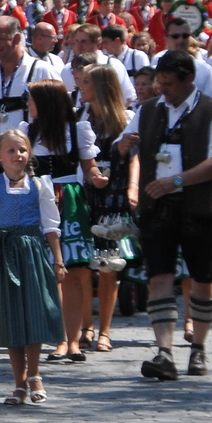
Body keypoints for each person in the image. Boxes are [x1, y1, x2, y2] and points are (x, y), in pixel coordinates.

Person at [121, 51, 212, 380]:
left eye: (168, 84)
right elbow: (122, 141)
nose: (162, 89)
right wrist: (123, 145)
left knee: (202, 280)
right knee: (159, 278)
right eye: (159, 82)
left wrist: (177, 180)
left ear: (188, 80)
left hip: (198, 206)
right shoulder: (149, 109)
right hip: (158, 206)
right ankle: (164, 353)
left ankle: (198, 348)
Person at [0, 128, 64, 403]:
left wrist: (58, 260)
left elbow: (51, 226)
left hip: (31, 251)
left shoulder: (40, 185)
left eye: (22, 150)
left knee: (34, 312)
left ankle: (35, 374)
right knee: (11, 316)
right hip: (5, 253)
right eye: (11, 150)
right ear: (0, 156)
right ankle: (19, 381)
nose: (17, 155)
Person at [25, 80, 102, 361]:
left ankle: (74, 340)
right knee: (48, 274)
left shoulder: (77, 130)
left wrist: (97, 178)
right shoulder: (27, 132)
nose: (27, 105)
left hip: (69, 200)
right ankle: (58, 338)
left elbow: (88, 165)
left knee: (75, 273)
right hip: (38, 202)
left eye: (31, 100)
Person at [80, 64, 139, 350]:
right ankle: (85, 326)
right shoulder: (80, 117)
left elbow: (136, 159)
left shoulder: (126, 119)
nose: (81, 85)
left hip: (113, 195)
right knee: (80, 265)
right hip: (85, 193)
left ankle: (104, 330)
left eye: (87, 81)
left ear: (101, 86)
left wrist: (131, 187)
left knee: (108, 266)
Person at [0, 17, 64, 172]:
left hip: (30, 159)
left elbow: (60, 116)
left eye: (1, 39)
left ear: (16, 38)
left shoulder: (43, 70)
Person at [152, 21, 212, 100]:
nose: (180, 40)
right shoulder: (155, 68)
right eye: (175, 36)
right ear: (166, 38)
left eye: (185, 36)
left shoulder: (205, 71)